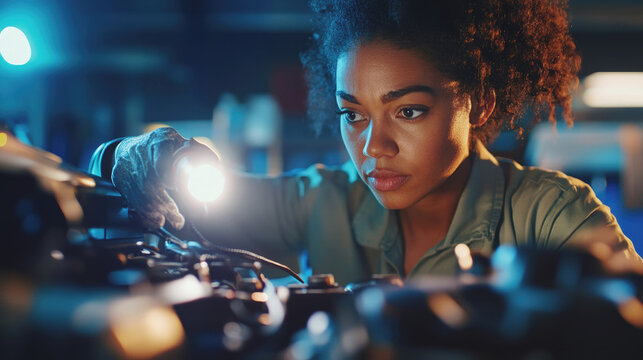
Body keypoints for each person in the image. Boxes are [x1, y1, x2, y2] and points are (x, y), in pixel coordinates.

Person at [96, 0, 642, 285]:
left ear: (479, 101)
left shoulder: (555, 214)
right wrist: (135, 156)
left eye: (408, 111)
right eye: (352, 115)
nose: (373, 146)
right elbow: (156, 195)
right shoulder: (321, 200)